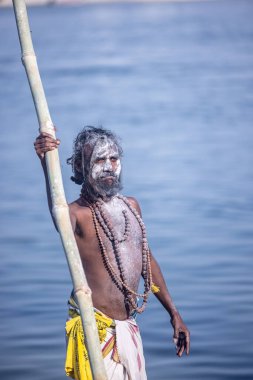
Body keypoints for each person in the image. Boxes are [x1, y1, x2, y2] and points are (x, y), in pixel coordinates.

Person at [34, 126, 190, 380]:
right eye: (99, 159)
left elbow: (146, 262)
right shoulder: (77, 214)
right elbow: (57, 212)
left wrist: (174, 313)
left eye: (113, 159)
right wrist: (46, 163)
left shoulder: (131, 206)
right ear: (81, 168)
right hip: (96, 331)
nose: (108, 166)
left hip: (128, 328)